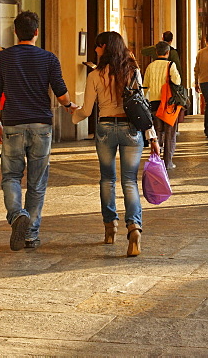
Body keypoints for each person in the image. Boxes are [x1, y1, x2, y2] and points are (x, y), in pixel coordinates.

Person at [0, 11, 76, 252]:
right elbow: (61, 92)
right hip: (41, 126)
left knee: (10, 177)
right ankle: (30, 235)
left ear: (16, 32)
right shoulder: (48, 58)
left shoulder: (2, 59)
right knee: (37, 182)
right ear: (37, 32)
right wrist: (70, 106)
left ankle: (17, 215)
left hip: (13, 124)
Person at [72, 31, 160, 257]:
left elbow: (86, 111)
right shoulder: (132, 71)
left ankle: (110, 226)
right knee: (129, 181)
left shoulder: (95, 75)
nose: (95, 50)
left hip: (105, 129)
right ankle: (134, 229)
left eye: (97, 47)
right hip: (131, 129)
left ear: (104, 47)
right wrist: (152, 136)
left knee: (107, 179)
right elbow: (142, 105)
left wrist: (73, 115)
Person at [142, 41, 181, 170]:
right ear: (168, 52)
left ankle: (156, 159)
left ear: (156, 52)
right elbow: (177, 81)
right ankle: (168, 162)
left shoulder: (150, 66)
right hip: (168, 104)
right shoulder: (171, 65)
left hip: (154, 104)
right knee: (170, 133)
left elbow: (145, 86)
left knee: (157, 133)